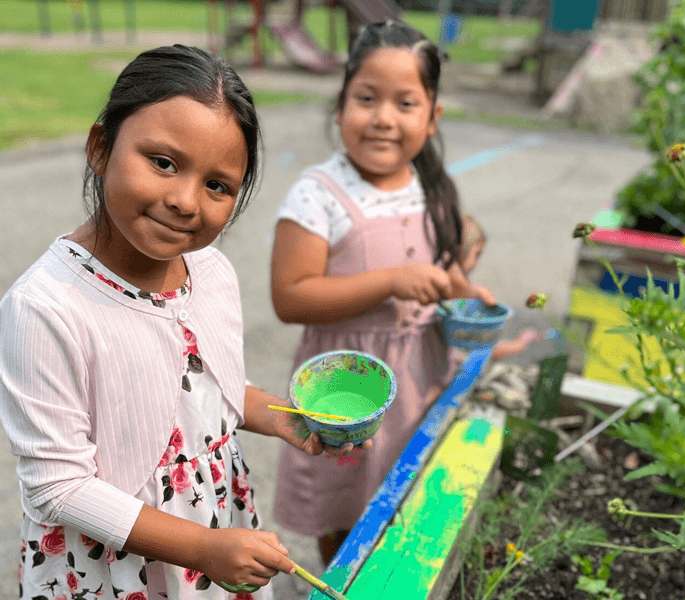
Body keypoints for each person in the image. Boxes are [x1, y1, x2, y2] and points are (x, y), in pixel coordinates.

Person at [0, 45, 362, 599]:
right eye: (163, 163)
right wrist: (200, 548)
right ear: (101, 147)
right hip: (110, 566)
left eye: (217, 185)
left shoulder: (212, 273)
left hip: (215, 528)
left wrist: (287, 418)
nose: (186, 200)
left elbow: (204, 387)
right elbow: (58, 486)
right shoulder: (45, 307)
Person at [270, 20, 495, 564]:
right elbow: (291, 297)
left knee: (408, 502)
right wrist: (390, 282)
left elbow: (440, 272)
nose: (383, 119)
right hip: (348, 396)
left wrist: (464, 295)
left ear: (433, 115)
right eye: (366, 99)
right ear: (341, 103)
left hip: (421, 381)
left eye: (405, 103)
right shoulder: (317, 195)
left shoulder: (432, 186)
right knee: (343, 513)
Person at [458, 214, 544, 361]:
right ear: (461, 252)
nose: (476, 264)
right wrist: (519, 344)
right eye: (476, 255)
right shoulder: (462, 298)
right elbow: (480, 351)